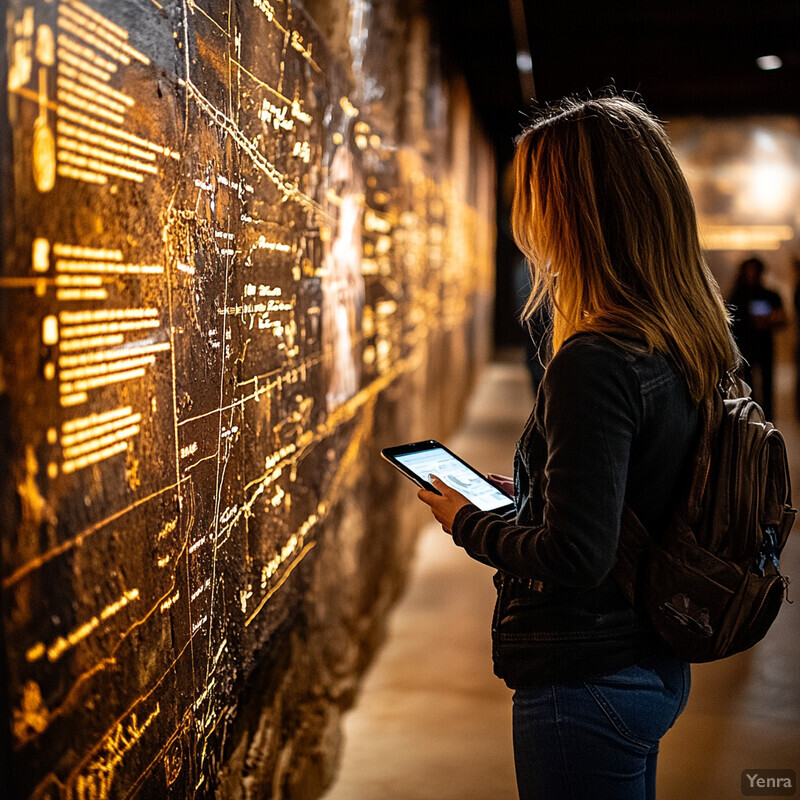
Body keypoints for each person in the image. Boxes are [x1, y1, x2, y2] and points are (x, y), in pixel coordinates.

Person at [417, 95, 740, 800]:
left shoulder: (594, 360)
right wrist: (533, 497)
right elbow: (635, 494)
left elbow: (577, 556)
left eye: (535, 197)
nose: (526, 223)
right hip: (646, 665)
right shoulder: (680, 339)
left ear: (577, 212)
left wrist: (467, 521)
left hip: (585, 679)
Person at [728, 257, 786, 421]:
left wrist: (770, 320)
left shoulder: (770, 295)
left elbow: (783, 320)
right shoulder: (737, 297)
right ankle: (751, 419)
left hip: (764, 346)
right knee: (747, 386)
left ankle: (768, 420)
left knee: (767, 386)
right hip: (744, 348)